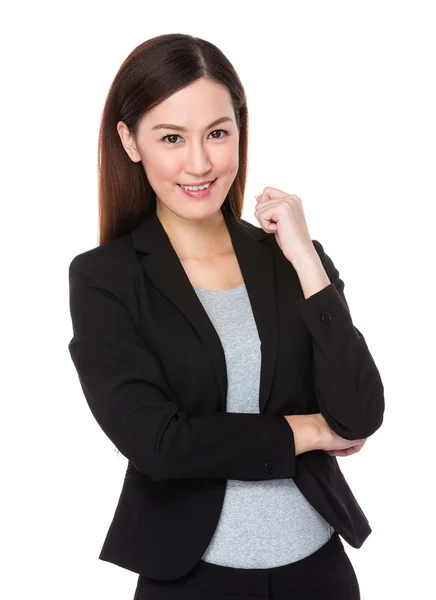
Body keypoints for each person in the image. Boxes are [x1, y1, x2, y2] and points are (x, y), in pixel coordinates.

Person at [67, 33, 385, 599]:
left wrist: (308, 260)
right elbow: (159, 445)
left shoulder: (289, 258)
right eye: (171, 137)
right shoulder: (105, 279)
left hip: (318, 571)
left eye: (218, 133)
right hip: (190, 579)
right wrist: (307, 430)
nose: (200, 162)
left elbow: (359, 413)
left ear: (240, 129)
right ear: (130, 141)